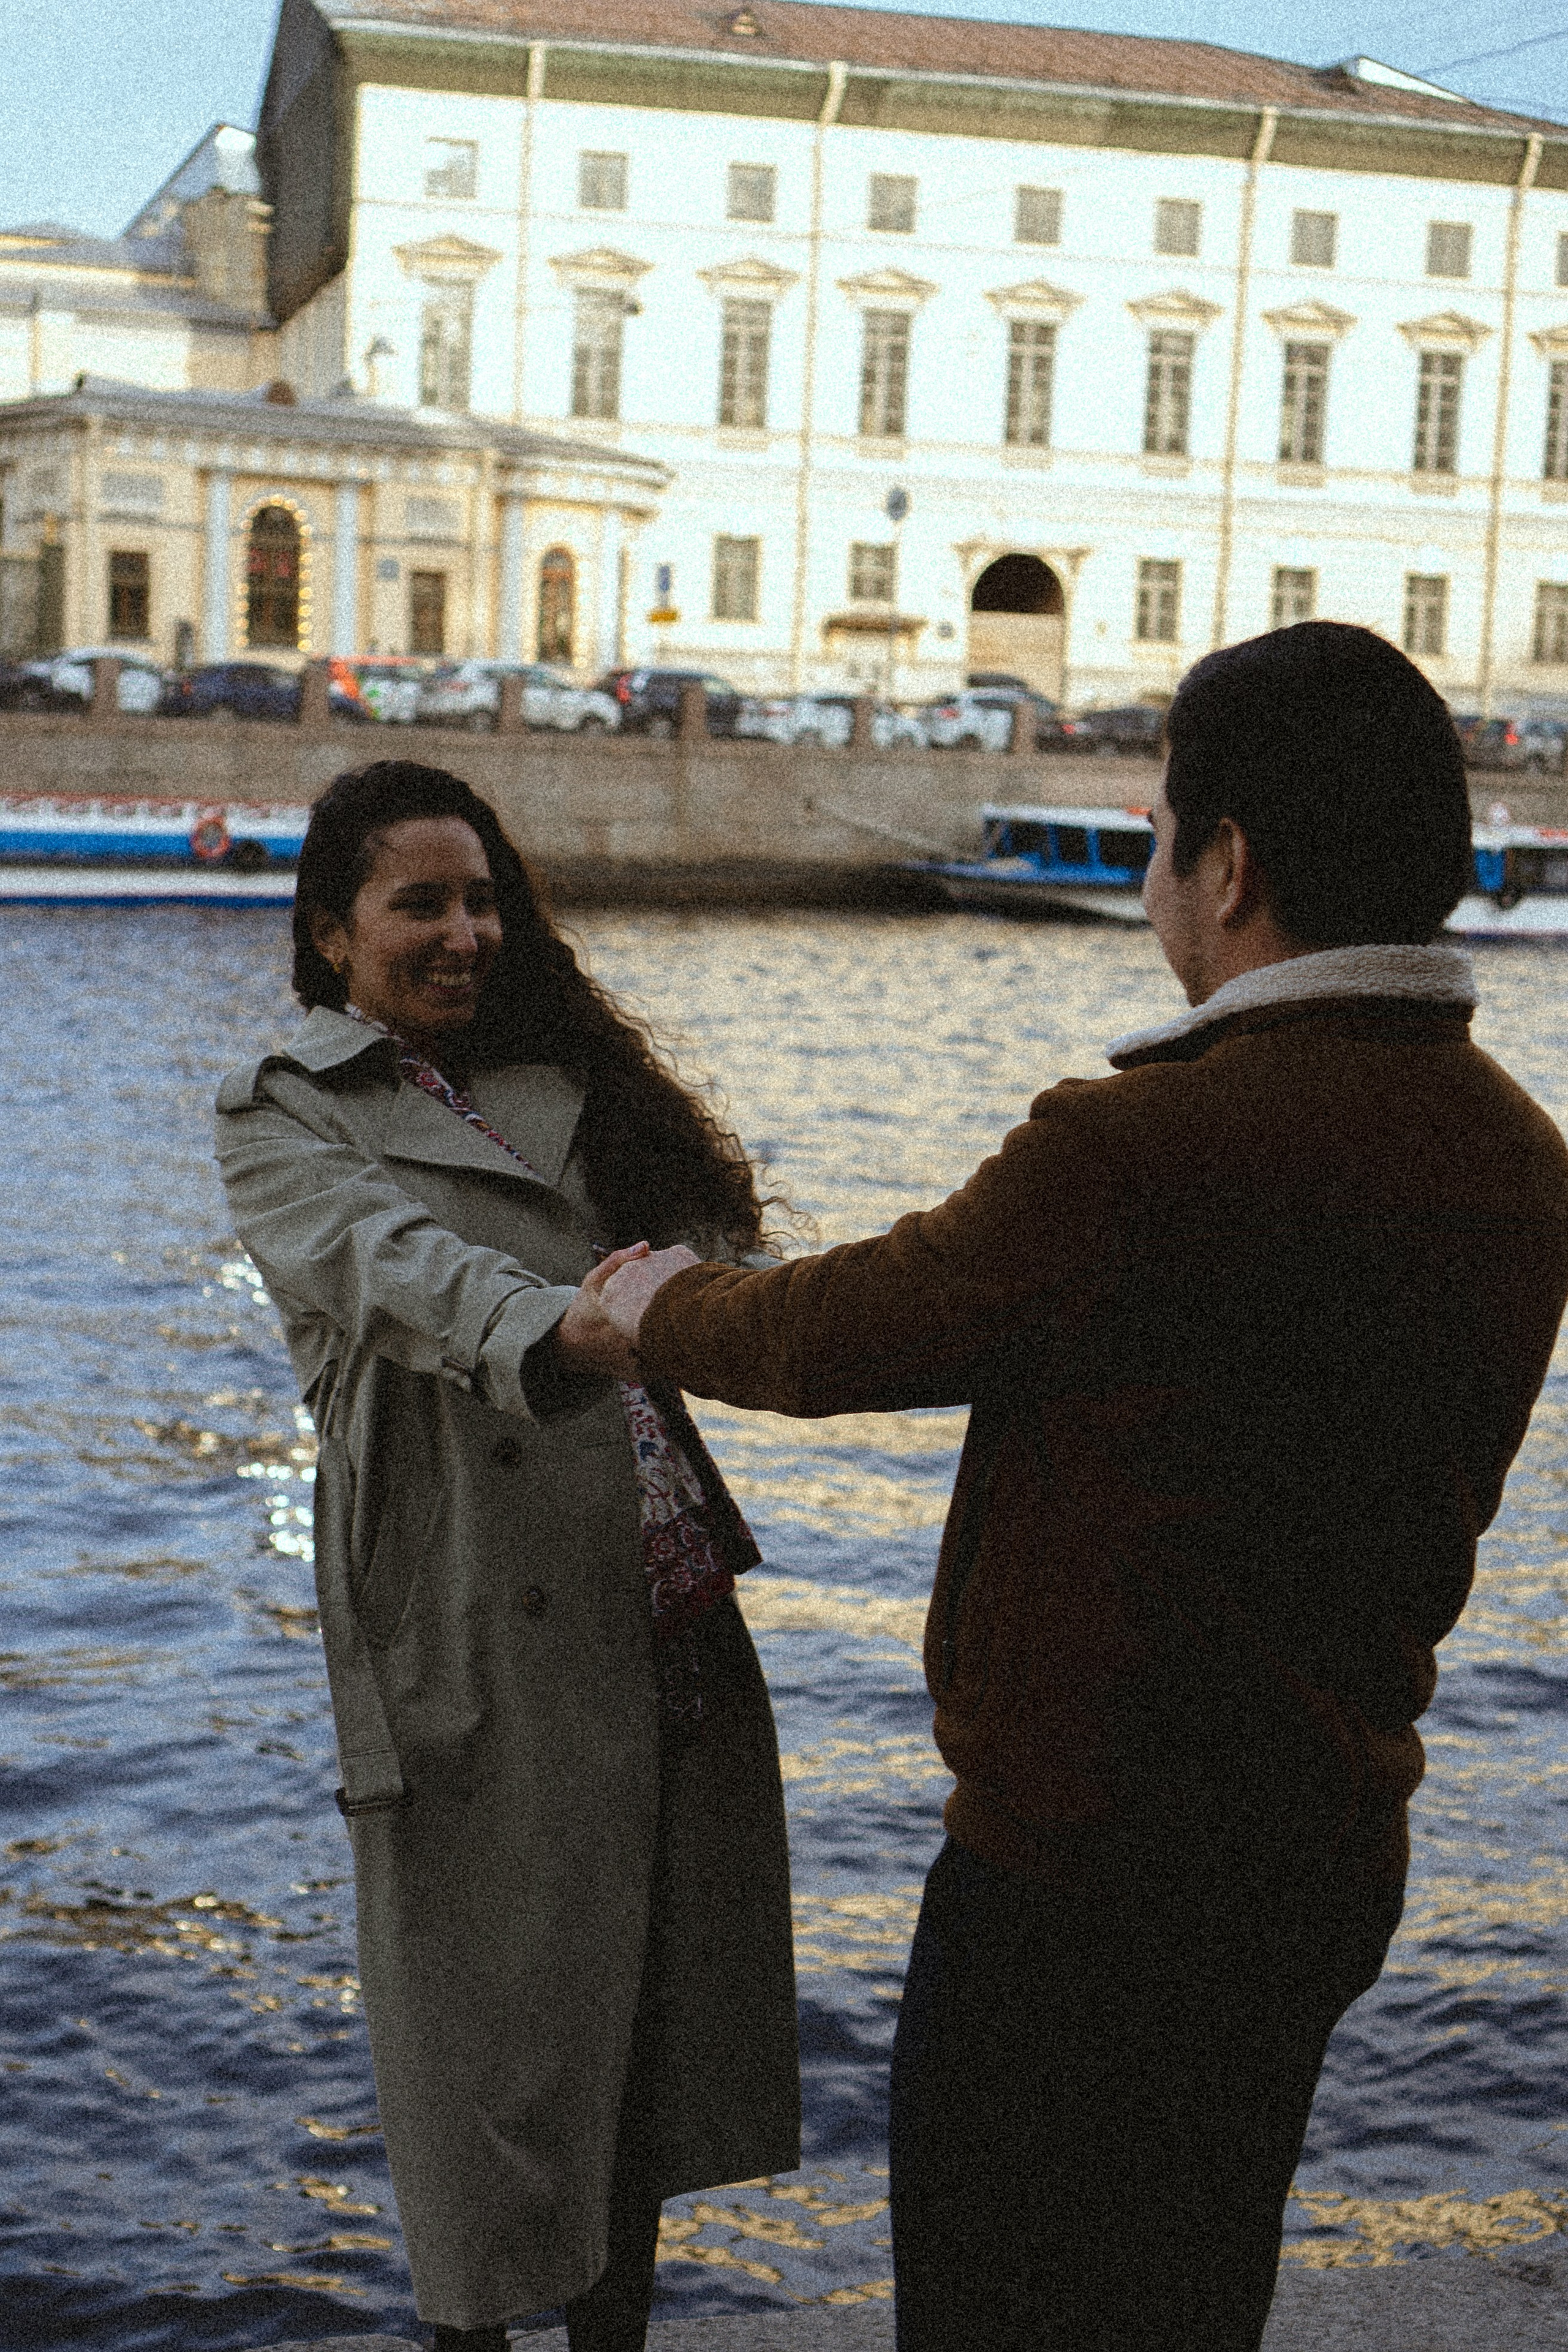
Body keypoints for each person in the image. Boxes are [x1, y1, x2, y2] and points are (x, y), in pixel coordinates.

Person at [557, 622, 1568, 2352]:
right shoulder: (1518, 1154)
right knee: (1189, 2293)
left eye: (1168, 832)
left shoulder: (1154, 1145)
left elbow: (843, 1328)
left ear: (1227, 862)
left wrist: (646, 1306)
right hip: (1321, 1845)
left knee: (1004, 2302)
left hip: (1087, 1884)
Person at [214, 761, 799, 2352]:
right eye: (422, 903)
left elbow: (730, 1248)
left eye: (484, 899)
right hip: (467, 1639)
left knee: (633, 2065)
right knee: (475, 2108)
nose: (465, 931)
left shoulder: (573, 1077)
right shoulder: (282, 1109)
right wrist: (571, 1319)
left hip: (654, 1607)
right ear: (333, 932)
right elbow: (395, 1272)